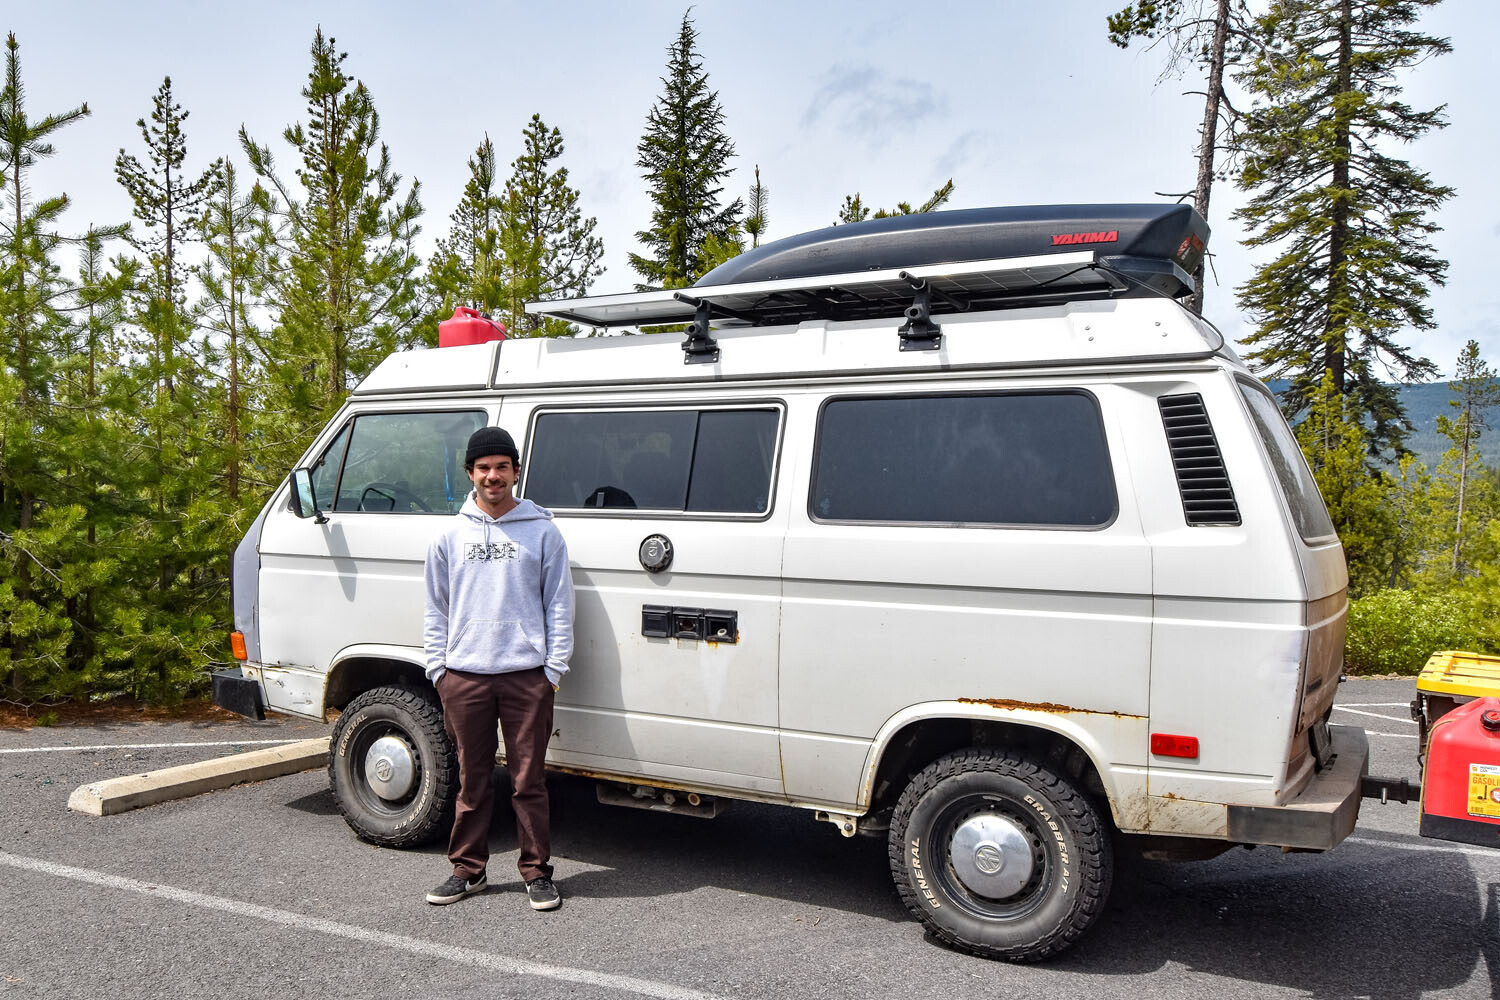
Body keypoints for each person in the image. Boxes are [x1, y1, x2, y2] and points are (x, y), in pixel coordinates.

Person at [422, 425, 574, 911]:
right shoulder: (448, 535)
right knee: (473, 779)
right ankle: (468, 871)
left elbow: (560, 605)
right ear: (470, 473)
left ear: (515, 472)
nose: (493, 476)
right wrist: (438, 671)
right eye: (483, 468)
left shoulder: (543, 531)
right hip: (464, 675)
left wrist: (551, 671)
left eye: (501, 467)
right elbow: (435, 608)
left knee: (529, 781)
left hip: (527, 677)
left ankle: (536, 873)